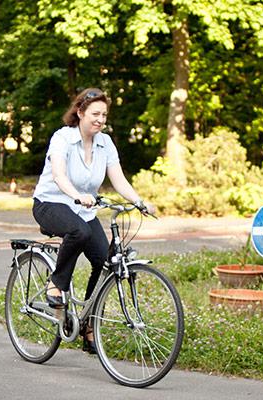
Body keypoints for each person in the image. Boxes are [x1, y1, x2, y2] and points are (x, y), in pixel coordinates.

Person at [32, 88, 154, 354]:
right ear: (80, 113)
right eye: (95, 114)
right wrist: (77, 196)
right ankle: (56, 284)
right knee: (79, 232)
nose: (100, 119)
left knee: (105, 260)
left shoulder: (105, 143)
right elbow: (59, 175)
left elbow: (118, 178)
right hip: (51, 204)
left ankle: (88, 324)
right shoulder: (62, 138)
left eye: (104, 115)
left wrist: (139, 201)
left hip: (83, 209)